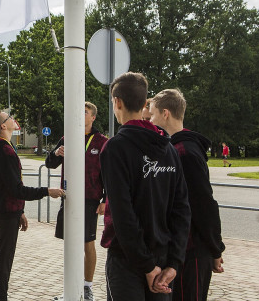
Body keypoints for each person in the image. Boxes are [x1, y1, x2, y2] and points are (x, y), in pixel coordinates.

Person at [99, 72, 191, 300]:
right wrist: (174, 263)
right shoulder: (168, 148)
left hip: (128, 261)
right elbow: (182, 210)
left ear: (117, 102)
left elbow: (122, 214)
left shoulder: (115, 148)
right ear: (144, 103)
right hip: (163, 260)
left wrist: (147, 266)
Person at [150, 89, 225, 301]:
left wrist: (215, 249)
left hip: (190, 250)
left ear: (166, 113)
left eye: (153, 114)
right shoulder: (176, 147)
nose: (151, 120)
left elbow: (204, 205)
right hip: (181, 249)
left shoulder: (185, 152)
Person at [0, 110, 64, 301]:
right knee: (4, 260)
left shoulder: (4, 147)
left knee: (4, 258)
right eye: (9, 117)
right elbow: (17, 189)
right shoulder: (4, 151)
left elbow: (7, 186)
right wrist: (47, 191)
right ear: (3, 126)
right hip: (5, 212)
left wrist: (19, 211)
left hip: (6, 210)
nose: (13, 118)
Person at [45, 102, 109, 301]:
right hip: (69, 198)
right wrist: (56, 153)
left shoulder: (102, 142)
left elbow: (109, 174)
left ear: (93, 118)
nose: (81, 115)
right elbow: (50, 163)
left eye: (85, 112)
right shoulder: (67, 138)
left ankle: (87, 287)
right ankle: (71, 287)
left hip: (90, 200)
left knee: (87, 244)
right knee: (70, 244)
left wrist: (105, 199)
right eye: (78, 111)